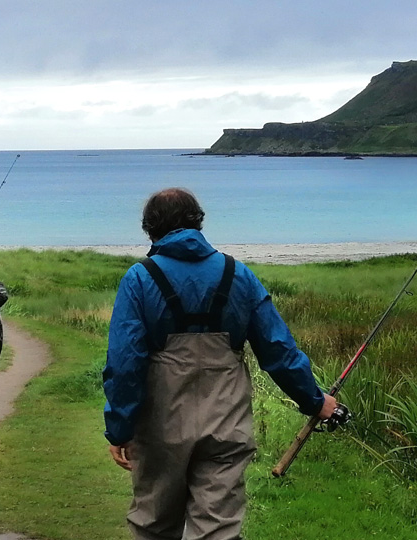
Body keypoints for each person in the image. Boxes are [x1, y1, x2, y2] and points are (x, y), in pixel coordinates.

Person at [102, 188, 340, 540]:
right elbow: (278, 350)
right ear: (197, 221)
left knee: (153, 523)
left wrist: (119, 429)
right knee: (217, 529)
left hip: (160, 426)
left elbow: (125, 364)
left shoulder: (139, 279)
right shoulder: (239, 275)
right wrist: (316, 402)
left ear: (150, 229)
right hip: (226, 421)